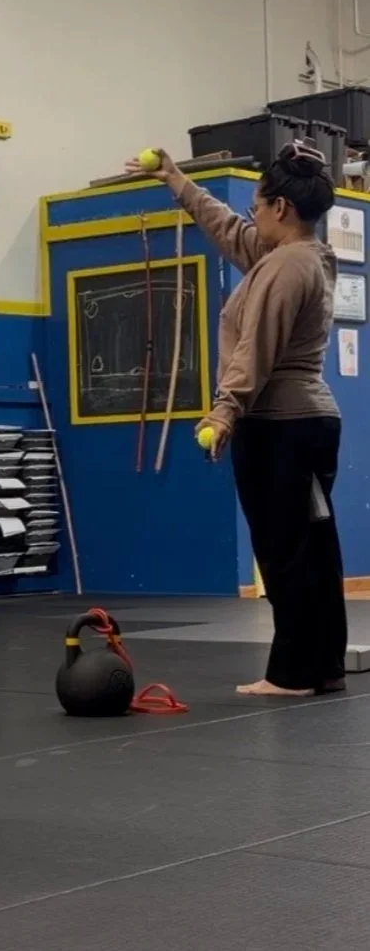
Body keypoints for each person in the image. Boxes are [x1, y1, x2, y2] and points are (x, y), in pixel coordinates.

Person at [129, 142, 347, 697]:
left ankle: (293, 674)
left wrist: (224, 411)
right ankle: (323, 665)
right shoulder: (298, 256)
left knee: (283, 550)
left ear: (281, 208)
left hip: (281, 424)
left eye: (257, 206)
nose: (251, 216)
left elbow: (256, 348)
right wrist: (176, 179)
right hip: (306, 421)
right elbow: (229, 230)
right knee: (311, 548)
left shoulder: (286, 266)